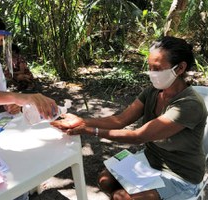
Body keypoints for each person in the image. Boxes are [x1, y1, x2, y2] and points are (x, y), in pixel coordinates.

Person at [51, 36, 208, 200]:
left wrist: (89, 130)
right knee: (105, 180)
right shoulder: (153, 92)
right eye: (150, 67)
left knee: (123, 197)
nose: (152, 73)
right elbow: (119, 120)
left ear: (180, 68)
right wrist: (82, 121)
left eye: (158, 68)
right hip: (151, 158)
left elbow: (139, 136)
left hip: (180, 175)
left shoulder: (189, 105)